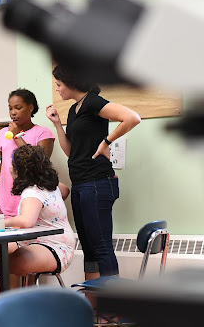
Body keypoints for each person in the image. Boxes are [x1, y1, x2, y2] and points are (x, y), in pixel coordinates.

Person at [46, 64, 141, 280]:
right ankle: (93, 308)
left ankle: (113, 310)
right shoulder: (74, 109)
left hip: (97, 183)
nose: (58, 89)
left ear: (71, 83)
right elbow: (72, 152)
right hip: (80, 184)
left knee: (102, 247)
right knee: (89, 249)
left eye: (59, 84)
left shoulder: (93, 102)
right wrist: (58, 125)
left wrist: (107, 141)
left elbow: (132, 117)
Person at [2, 145, 75, 279]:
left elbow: (26, 221)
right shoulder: (51, 186)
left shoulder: (31, 192)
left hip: (54, 246)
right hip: (49, 242)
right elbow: (65, 191)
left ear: (17, 171)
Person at [0, 89, 55, 220]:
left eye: (18, 108)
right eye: (10, 109)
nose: (13, 113)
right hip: (6, 203)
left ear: (30, 107)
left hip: (31, 202)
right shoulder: (2, 133)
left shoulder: (43, 133)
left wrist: (16, 136)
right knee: (4, 240)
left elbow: (40, 163)